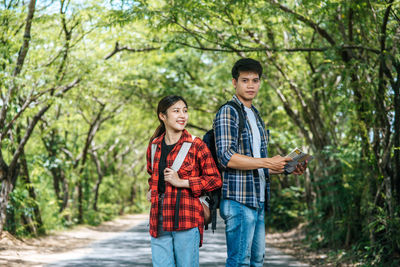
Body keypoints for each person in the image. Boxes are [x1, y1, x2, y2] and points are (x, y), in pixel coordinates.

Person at [213, 58, 307, 267]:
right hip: (238, 200)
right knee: (240, 262)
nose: (250, 85)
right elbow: (226, 157)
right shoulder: (229, 111)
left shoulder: (255, 115)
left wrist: (285, 167)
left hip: (258, 199)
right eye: (244, 80)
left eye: (255, 80)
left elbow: (257, 164)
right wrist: (267, 162)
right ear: (234, 82)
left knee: (256, 261)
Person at [146, 95, 222, 267]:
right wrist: (152, 189)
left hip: (186, 217)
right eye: (176, 111)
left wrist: (183, 182)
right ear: (162, 116)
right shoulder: (153, 146)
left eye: (185, 111)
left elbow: (215, 180)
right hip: (158, 218)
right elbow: (152, 175)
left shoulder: (197, 145)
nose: (182, 115)